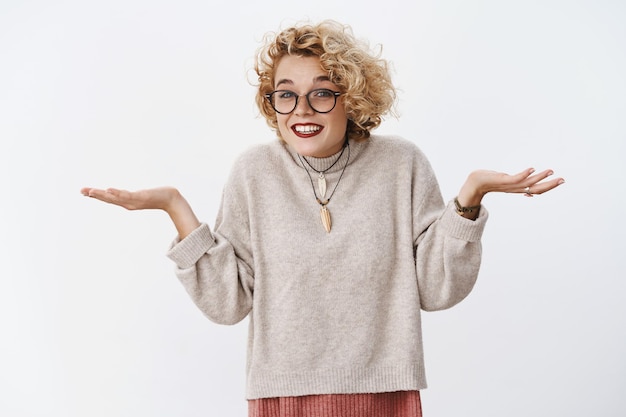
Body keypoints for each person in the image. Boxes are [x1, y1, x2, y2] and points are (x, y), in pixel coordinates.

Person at [81, 20, 564, 417]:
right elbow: (229, 303)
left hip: (385, 393)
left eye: (322, 93)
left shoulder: (401, 164)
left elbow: (437, 289)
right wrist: (175, 207)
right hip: (282, 396)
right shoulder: (255, 171)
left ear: (352, 97)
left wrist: (468, 199)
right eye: (285, 94)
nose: (302, 111)